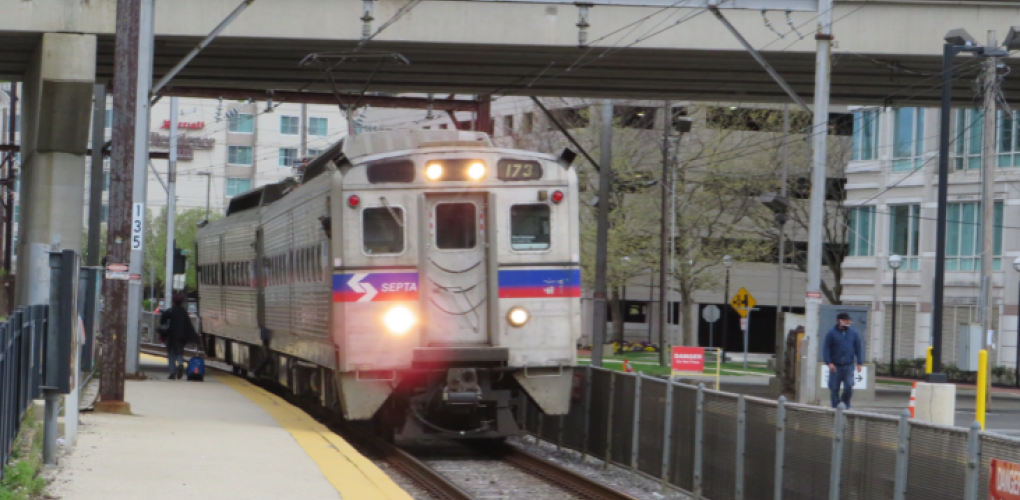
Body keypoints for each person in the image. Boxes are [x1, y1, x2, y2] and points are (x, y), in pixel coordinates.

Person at [823, 312, 863, 409]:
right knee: (834, 389)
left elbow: (858, 348)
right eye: (846, 320)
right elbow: (826, 349)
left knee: (849, 386)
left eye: (849, 320)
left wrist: (859, 363)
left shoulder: (853, 333)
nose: (848, 322)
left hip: (848, 366)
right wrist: (829, 363)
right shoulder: (831, 333)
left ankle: (844, 405)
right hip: (835, 367)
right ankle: (835, 409)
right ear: (839, 321)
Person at [160, 293, 200, 380]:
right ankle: (180, 364)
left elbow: (162, 321)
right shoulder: (184, 312)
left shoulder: (170, 311)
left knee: (171, 353)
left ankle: (172, 373)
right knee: (179, 352)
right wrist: (194, 337)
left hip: (171, 336)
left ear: (174, 301)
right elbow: (189, 325)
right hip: (182, 336)